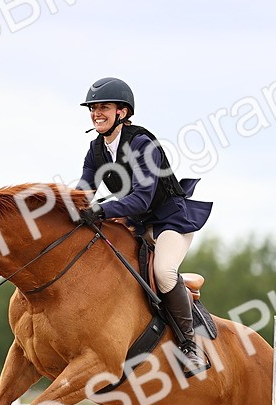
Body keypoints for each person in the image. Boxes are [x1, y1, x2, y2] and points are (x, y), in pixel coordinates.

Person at [77, 77, 212, 375]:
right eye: (93, 108)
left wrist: (100, 210)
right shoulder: (96, 150)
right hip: (137, 223)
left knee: (163, 272)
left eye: (104, 107)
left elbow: (140, 198)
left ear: (122, 113)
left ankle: (191, 346)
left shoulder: (142, 144)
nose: (97, 113)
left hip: (170, 220)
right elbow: (83, 194)